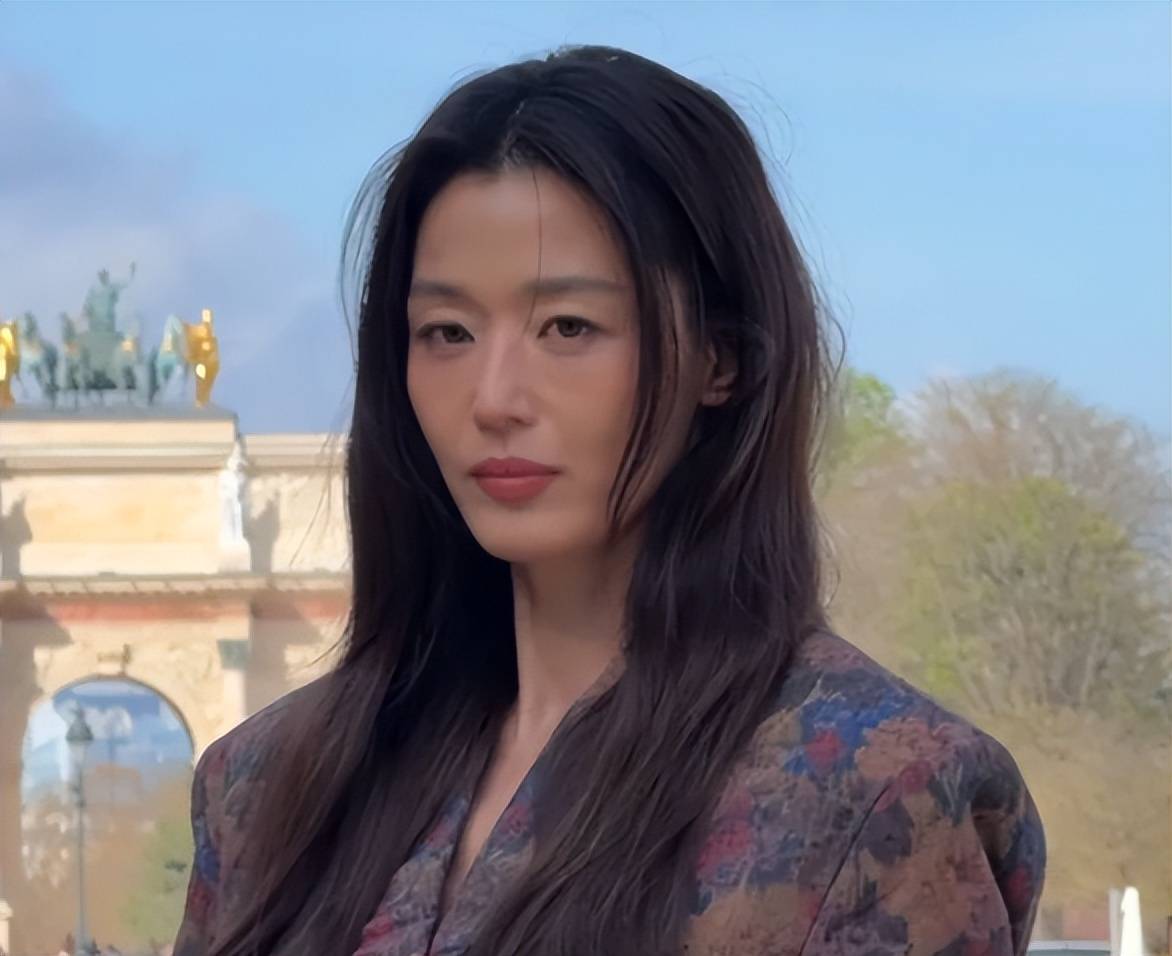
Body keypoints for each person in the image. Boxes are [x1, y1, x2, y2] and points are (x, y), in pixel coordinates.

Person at [173, 46, 1045, 956]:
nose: (493, 399)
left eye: (567, 327)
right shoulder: (266, 790)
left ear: (722, 358)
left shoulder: (874, 797)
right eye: (447, 332)